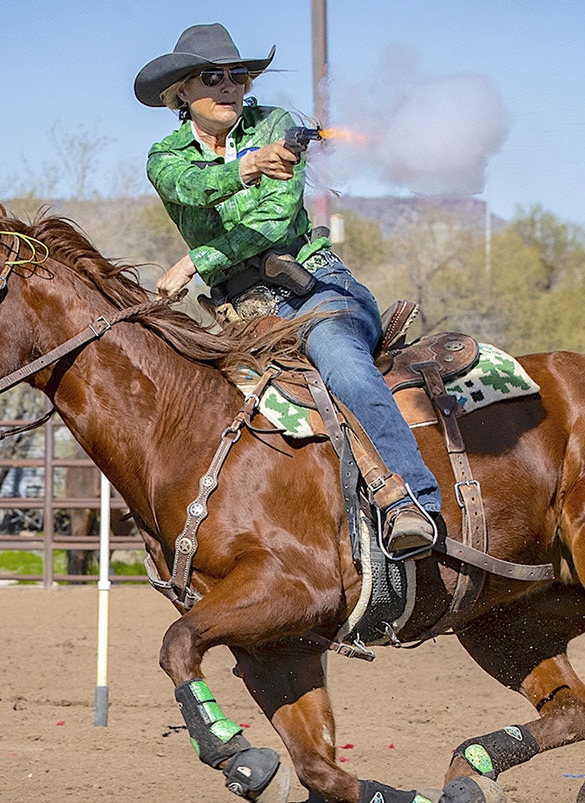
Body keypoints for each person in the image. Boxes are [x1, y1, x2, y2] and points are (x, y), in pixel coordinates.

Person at [133, 23, 441, 558]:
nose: (230, 85)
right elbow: (191, 186)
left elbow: (274, 220)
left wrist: (195, 259)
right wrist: (248, 165)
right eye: (213, 76)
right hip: (239, 314)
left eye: (239, 75)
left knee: (342, 364)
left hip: (315, 289)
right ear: (181, 91)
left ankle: (412, 501)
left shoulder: (275, 124)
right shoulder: (164, 156)